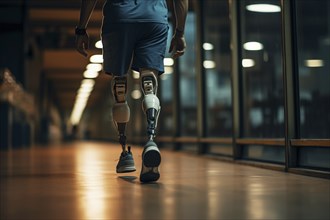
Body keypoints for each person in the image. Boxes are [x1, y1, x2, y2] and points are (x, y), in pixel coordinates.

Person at [75, 0, 188, 182]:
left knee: (120, 85)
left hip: (118, 17)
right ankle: (151, 140)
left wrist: (81, 29)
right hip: (155, 19)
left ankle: (124, 151)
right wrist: (180, 32)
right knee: (149, 81)